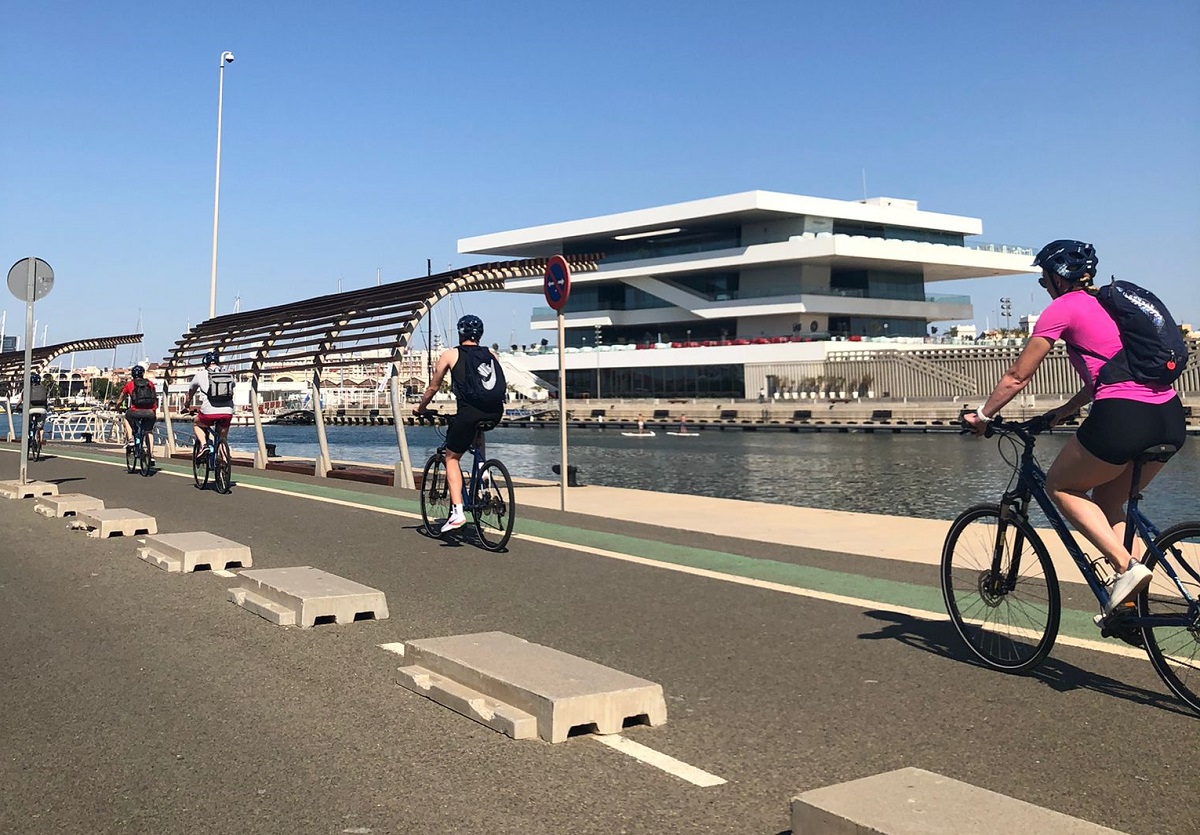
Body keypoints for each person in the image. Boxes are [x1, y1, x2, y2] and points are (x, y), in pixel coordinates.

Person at [965, 239, 1186, 615]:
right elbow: (1113, 371)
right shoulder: (1112, 305)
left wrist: (983, 417)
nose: (1043, 286)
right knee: (1108, 500)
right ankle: (1130, 605)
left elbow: (1018, 376)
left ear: (1056, 277)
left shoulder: (1064, 307)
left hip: (1122, 418)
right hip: (1169, 417)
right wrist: (1065, 410)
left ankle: (1126, 567)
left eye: (1043, 280)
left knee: (1061, 485)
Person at [413, 315, 506, 532]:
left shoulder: (451, 354)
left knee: (451, 458)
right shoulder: (491, 354)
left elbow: (433, 388)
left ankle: (457, 513)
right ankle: (483, 470)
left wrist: (421, 408)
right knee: (478, 432)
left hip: (468, 413)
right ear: (480, 335)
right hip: (495, 412)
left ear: (460, 333)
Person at [184, 351, 235, 458]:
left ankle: (204, 445)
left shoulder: (200, 375)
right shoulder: (228, 374)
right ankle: (224, 461)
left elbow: (190, 392)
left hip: (208, 412)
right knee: (223, 437)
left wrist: (187, 405)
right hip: (227, 412)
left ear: (205, 363)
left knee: (197, 424)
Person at [114, 365, 157, 464]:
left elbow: (121, 398)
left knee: (127, 418)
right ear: (143, 374)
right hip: (150, 412)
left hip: (135, 411)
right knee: (148, 432)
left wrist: (117, 407)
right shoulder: (150, 384)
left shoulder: (130, 384)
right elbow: (154, 397)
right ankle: (151, 456)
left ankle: (130, 439)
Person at [25, 371, 50, 448]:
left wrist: (17, 407)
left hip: (31, 410)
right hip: (42, 410)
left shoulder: (27, 389)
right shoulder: (43, 389)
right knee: (40, 427)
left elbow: (22, 400)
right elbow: (46, 400)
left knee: (28, 424)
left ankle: (29, 437)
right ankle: (40, 440)